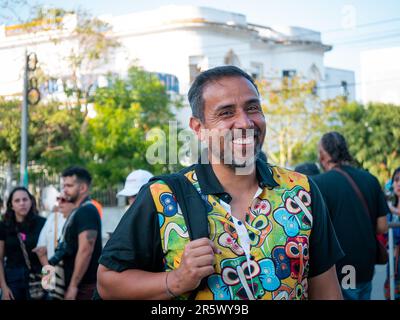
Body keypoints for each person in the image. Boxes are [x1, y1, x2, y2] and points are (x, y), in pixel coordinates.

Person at [97, 65, 344, 300]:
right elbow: (108, 282)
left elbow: (327, 291)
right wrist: (177, 280)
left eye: (253, 108)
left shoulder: (301, 191)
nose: (246, 123)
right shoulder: (163, 197)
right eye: (226, 113)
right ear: (198, 128)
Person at [313, 131, 389, 300]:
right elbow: (383, 226)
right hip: (366, 265)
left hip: (340, 269)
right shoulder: (370, 179)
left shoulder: (318, 184)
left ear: (323, 155)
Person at [54, 166, 102, 300]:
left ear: (83, 188)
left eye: (69, 185)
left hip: (84, 287)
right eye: (64, 185)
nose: (65, 190)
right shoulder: (79, 211)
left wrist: (73, 286)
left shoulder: (86, 211)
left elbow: (86, 250)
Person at [0, 187, 46, 300]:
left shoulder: (42, 223)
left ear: (31, 201)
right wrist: (4, 288)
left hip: (39, 278)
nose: (22, 203)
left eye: (25, 199)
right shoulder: (4, 226)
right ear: (11, 205)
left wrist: (49, 284)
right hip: (13, 280)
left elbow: (49, 256)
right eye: (17, 200)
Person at [33, 187, 67, 267]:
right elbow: (40, 251)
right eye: (58, 199)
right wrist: (48, 275)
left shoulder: (79, 219)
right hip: (55, 273)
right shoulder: (52, 217)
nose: (59, 202)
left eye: (63, 199)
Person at [384, 167, 400, 299]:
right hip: (392, 264)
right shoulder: (390, 211)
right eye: (396, 180)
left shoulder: (391, 208)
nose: (399, 183)